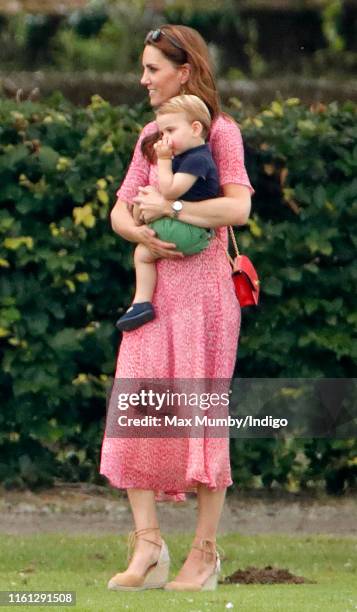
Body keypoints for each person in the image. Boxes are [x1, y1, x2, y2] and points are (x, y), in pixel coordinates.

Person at [100, 24, 254, 592]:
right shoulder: (151, 133)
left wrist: (174, 211)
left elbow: (236, 209)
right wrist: (142, 230)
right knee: (137, 405)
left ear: (183, 71)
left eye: (152, 69)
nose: (142, 79)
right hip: (156, 295)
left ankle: (204, 554)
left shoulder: (223, 133)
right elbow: (120, 211)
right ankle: (148, 547)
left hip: (206, 298)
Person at [115, 94, 219, 331]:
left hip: (191, 231)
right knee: (145, 199)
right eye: (162, 134)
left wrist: (163, 160)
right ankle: (141, 303)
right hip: (188, 227)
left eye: (170, 131)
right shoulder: (188, 157)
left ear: (195, 128)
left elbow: (170, 191)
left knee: (142, 253)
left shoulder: (198, 159)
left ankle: (141, 303)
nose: (166, 139)